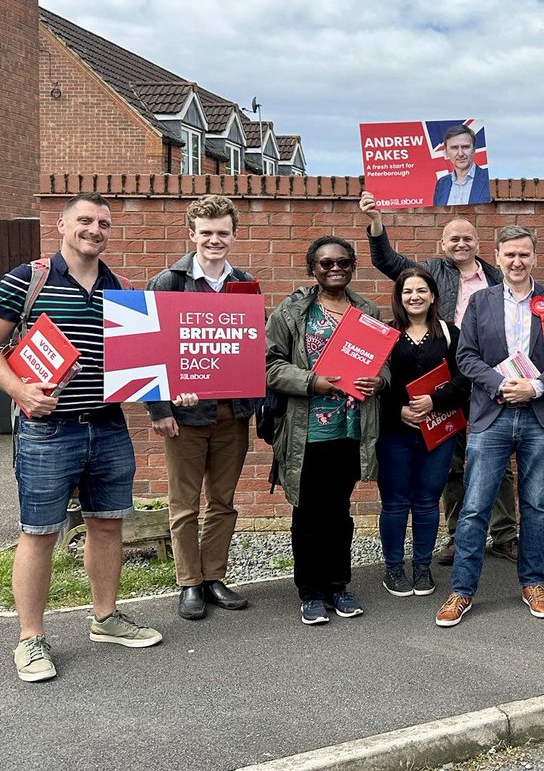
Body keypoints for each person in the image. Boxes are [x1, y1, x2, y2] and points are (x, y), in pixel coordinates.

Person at [0, 193, 162, 683]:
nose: (95, 229)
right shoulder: (27, 280)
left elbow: (146, 367)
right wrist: (20, 389)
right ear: (62, 226)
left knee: (108, 524)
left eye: (103, 223)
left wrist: (176, 394)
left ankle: (106, 618)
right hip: (47, 430)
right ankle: (30, 640)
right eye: (85, 221)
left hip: (109, 426)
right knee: (39, 533)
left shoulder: (125, 289)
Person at [359, 192, 515, 566]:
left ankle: (505, 534)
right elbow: (388, 261)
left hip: (490, 378)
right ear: (442, 245)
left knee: (497, 456)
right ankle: (457, 535)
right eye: (453, 239)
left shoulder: (497, 276)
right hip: (447, 379)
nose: (461, 244)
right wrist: (377, 222)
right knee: (452, 459)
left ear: (479, 244)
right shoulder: (433, 272)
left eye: (468, 238)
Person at [435, 225, 544, 628]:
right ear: (496, 256)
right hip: (491, 414)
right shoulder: (480, 302)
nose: (517, 262)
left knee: (535, 507)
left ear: (535, 257)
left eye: (524, 255)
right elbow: (466, 357)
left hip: (539, 414)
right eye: (509, 255)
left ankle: (532, 582)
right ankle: (461, 590)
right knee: (476, 506)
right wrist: (501, 384)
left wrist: (535, 385)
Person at [145, 194, 259, 621]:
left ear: (234, 235)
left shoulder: (245, 282)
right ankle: (189, 583)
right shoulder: (168, 282)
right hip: (185, 416)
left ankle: (214, 576)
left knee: (224, 501)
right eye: (207, 233)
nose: (215, 240)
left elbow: (245, 349)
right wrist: (161, 408)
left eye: (223, 233)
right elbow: (149, 350)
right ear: (191, 234)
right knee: (185, 503)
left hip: (233, 413)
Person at [265, 236, 387, 626]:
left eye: (343, 262)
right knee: (308, 515)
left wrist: (379, 382)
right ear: (311, 268)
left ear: (353, 265)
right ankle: (310, 591)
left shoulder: (365, 309)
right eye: (325, 263)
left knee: (340, 512)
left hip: (351, 429)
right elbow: (269, 366)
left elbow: (381, 363)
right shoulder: (293, 310)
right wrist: (312, 381)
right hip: (306, 432)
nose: (335, 268)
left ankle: (338, 585)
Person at [377, 267, 469, 598]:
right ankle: (393, 568)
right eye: (407, 292)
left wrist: (434, 400)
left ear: (432, 296)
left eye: (421, 290)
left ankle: (421, 567)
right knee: (395, 501)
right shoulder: (385, 334)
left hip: (438, 430)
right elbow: (375, 384)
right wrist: (397, 408)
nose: (414, 297)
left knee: (428, 500)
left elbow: (464, 380)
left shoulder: (450, 334)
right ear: (399, 298)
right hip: (394, 431)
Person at [432, 124, 490, 206]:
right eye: (454, 148)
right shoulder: (441, 184)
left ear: (474, 150)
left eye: (465, 147)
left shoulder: (490, 179)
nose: (460, 154)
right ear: (446, 152)